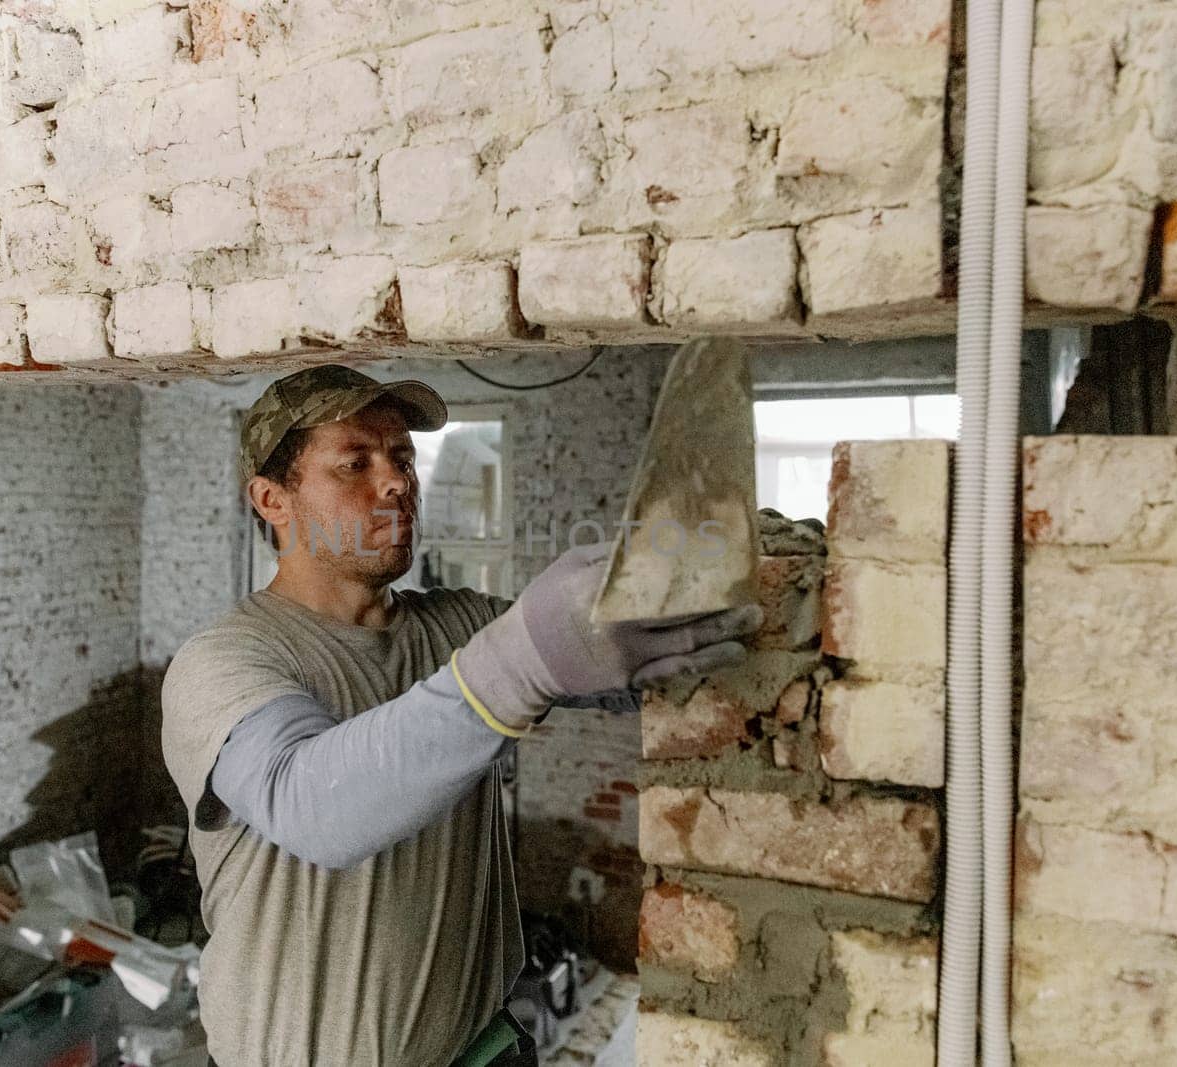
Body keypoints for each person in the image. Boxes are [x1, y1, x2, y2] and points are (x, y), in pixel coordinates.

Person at [160, 365, 761, 1066]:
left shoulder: (458, 624)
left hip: (484, 1052)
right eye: (354, 462)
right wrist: (515, 662)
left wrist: (692, 591)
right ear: (272, 499)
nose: (395, 481)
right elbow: (312, 807)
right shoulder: (224, 660)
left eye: (402, 458)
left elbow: (630, 677)